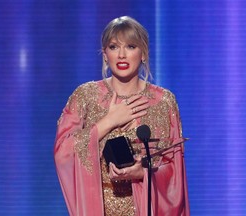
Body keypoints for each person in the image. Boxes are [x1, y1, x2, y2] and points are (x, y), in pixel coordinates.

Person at [54, 16, 190, 216]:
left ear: (143, 53)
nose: (122, 55)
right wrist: (108, 122)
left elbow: (174, 171)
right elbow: (63, 152)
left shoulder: (164, 101)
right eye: (114, 47)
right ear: (104, 54)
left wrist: (144, 173)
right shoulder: (86, 96)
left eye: (131, 46)